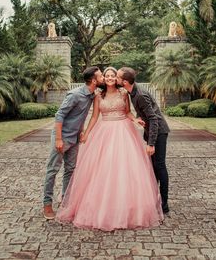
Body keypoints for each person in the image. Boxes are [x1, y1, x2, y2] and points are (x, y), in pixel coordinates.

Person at [56, 67, 164, 230]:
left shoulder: (124, 94)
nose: (110, 77)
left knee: (125, 168)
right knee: (103, 168)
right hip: (104, 131)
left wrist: (135, 120)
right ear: (104, 79)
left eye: (113, 75)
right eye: (107, 75)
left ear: (117, 79)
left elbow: (127, 112)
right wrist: (86, 133)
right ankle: (100, 205)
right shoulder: (98, 96)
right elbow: (94, 117)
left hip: (124, 131)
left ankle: (128, 206)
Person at [43, 66, 104, 220]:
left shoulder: (92, 95)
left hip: (75, 139)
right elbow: (59, 115)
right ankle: (47, 204)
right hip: (62, 138)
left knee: (70, 170)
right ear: (94, 80)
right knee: (52, 170)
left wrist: (82, 130)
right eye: (101, 76)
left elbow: (81, 115)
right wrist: (58, 139)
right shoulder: (75, 95)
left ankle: (65, 201)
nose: (103, 77)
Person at [117, 67, 170, 214]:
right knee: (153, 167)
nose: (115, 78)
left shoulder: (139, 95)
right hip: (151, 132)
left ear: (125, 81)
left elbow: (154, 118)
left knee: (159, 166)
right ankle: (154, 199)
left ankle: (164, 204)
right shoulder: (131, 91)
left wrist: (151, 143)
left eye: (117, 77)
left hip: (159, 132)